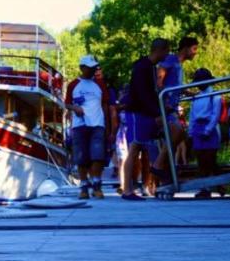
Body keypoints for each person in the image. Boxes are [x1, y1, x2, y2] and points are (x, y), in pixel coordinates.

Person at [121, 38, 170, 199]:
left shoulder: (150, 67)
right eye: (166, 51)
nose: (167, 54)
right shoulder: (143, 67)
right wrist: (156, 112)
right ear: (160, 50)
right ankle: (127, 189)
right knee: (134, 149)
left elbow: (151, 93)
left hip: (145, 112)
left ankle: (146, 185)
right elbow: (142, 94)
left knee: (145, 148)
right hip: (137, 112)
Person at [65, 55, 112, 199]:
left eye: (94, 67)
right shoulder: (73, 84)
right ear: (82, 68)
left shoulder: (100, 84)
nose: (93, 70)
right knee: (81, 157)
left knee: (97, 157)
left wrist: (107, 126)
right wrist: (74, 108)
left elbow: (105, 105)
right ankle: (84, 187)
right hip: (79, 126)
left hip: (98, 124)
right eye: (90, 67)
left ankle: (97, 185)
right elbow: (66, 103)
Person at [157, 36, 199, 175]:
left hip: (172, 107)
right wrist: (163, 101)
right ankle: (159, 164)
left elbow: (175, 85)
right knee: (178, 132)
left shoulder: (179, 65)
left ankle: (164, 168)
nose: (195, 52)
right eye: (194, 49)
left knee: (180, 135)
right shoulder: (171, 60)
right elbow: (159, 77)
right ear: (186, 48)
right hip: (167, 108)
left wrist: (188, 92)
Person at [188, 67, 223, 198]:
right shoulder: (196, 98)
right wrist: (191, 132)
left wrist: (208, 129)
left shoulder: (215, 96)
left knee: (210, 159)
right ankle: (205, 187)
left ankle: (220, 184)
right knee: (201, 160)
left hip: (210, 128)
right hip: (197, 128)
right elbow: (192, 115)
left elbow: (215, 114)